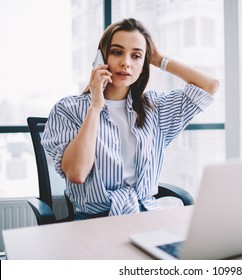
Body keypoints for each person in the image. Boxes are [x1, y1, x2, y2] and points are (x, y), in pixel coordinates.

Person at [41, 18, 219, 219]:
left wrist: (160, 59)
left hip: (145, 215)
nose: (126, 62)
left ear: (143, 66)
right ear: (101, 58)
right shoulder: (68, 109)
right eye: (117, 52)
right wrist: (96, 106)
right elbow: (76, 173)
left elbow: (209, 86)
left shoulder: (154, 109)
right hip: (95, 219)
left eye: (136, 56)